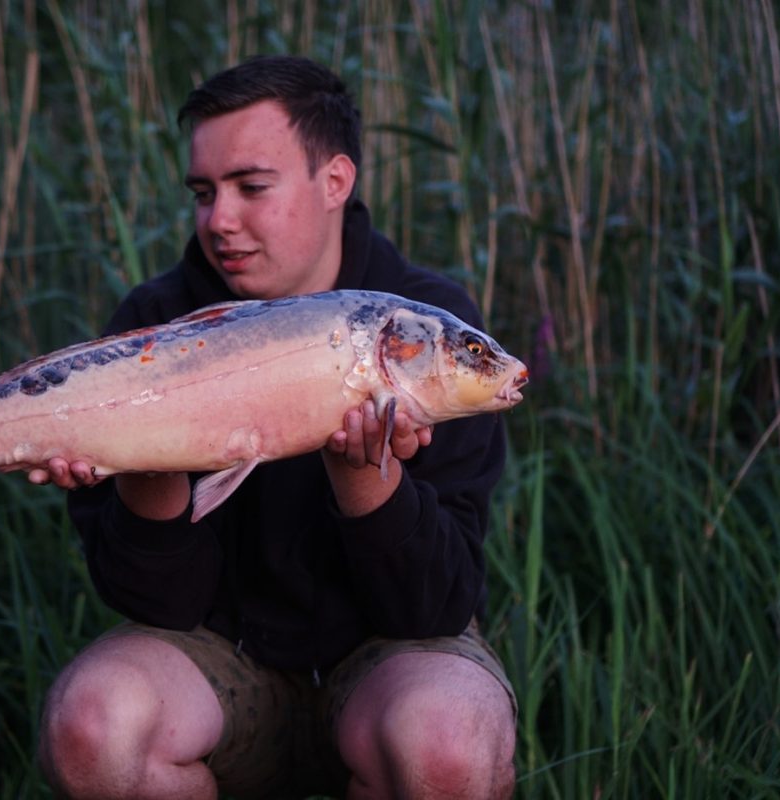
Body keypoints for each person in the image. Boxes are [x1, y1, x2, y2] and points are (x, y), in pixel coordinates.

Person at [32, 55, 517, 799]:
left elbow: (434, 608)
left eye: (251, 187)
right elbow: (156, 606)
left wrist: (366, 474)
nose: (219, 220)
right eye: (203, 193)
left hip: (385, 661)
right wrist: (150, 470)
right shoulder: (155, 326)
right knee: (93, 726)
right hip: (220, 659)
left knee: (446, 743)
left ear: (335, 182)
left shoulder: (421, 328)